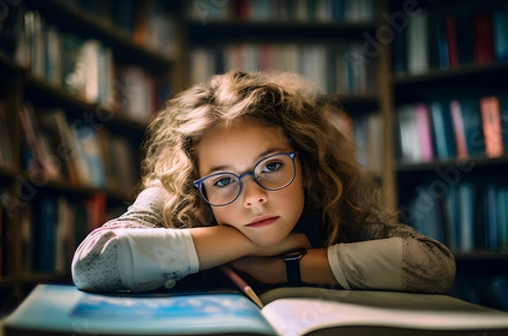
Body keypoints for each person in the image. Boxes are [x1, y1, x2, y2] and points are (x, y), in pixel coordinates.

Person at [72, 70, 455, 294]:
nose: (253, 198)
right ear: (197, 185)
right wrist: (238, 243)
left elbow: (434, 265)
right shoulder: (173, 198)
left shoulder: (326, 206)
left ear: (306, 166)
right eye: (222, 180)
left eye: (271, 167)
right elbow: (92, 266)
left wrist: (284, 269)